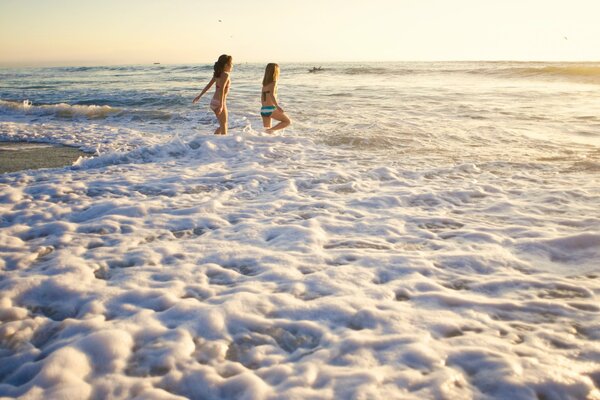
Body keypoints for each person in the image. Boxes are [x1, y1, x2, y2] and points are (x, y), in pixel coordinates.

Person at [193, 54, 233, 135]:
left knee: (223, 125)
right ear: (226, 65)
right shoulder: (225, 75)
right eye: (231, 63)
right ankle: (222, 144)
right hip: (219, 103)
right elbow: (221, 89)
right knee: (224, 127)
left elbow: (208, 85)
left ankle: (214, 140)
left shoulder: (217, 74)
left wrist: (199, 96)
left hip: (214, 102)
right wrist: (221, 105)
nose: (232, 65)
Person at [261, 63, 291, 133]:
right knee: (287, 121)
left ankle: (263, 141)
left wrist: (264, 107)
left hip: (264, 109)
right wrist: (277, 106)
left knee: (267, 132)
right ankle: (270, 131)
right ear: (275, 72)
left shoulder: (264, 85)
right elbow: (272, 95)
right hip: (270, 109)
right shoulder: (273, 83)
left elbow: (262, 97)